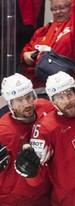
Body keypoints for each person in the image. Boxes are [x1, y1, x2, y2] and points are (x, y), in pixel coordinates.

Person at [16, 72, 75, 205]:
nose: (67, 101)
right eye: (60, 98)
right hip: (67, 200)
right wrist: (29, 171)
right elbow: (36, 178)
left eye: (69, 95)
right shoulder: (44, 128)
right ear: (52, 101)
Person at [0, 74, 53, 205]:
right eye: (19, 101)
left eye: (29, 97)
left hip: (43, 194)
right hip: (13, 200)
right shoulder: (3, 131)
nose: (27, 104)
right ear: (11, 104)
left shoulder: (46, 108)